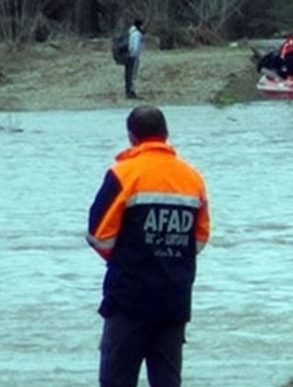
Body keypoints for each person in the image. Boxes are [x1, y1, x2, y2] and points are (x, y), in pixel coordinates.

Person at [86, 105, 210, 387]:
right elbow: (200, 239)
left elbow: (98, 236)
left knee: (116, 380)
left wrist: (129, 258)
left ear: (131, 137)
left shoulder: (123, 174)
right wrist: (168, 256)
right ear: (166, 135)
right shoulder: (192, 178)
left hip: (129, 298)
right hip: (174, 298)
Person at [124, 19, 144, 99]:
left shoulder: (130, 33)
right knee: (132, 75)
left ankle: (128, 91)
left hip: (127, 56)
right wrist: (135, 56)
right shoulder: (137, 34)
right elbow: (135, 47)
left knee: (128, 75)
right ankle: (131, 92)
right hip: (133, 57)